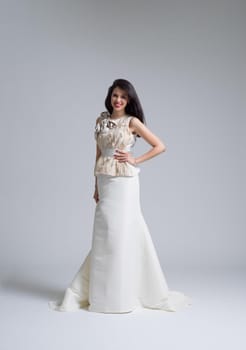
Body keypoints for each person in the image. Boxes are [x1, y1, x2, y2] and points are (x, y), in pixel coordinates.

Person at [48, 78, 192, 314]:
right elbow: (97, 154)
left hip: (125, 182)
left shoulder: (132, 122)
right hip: (105, 180)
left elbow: (160, 146)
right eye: (115, 95)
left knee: (121, 234)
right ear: (110, 96)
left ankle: (121, 296)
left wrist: (135, 159)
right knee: (105, 236)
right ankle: (102, 295)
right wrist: (95, 185)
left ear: (129, 100)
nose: (118, 100)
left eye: (123, 97)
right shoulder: (101, 121)